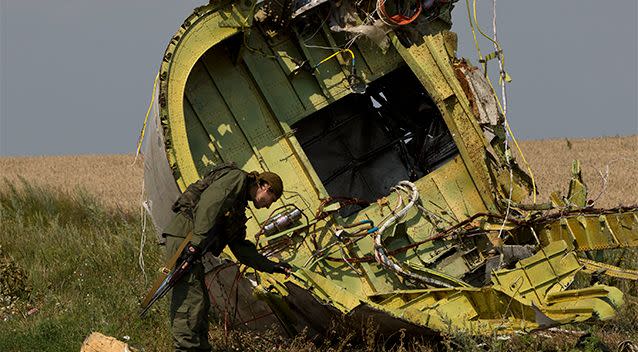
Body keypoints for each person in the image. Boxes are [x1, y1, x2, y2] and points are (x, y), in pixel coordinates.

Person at [162, 164, 292, 351]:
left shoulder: (238, 208)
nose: (268, 206)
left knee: (201, 303)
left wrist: (271, 266)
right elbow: (210, 203)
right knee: (191, 300)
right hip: (185, 238)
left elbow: (240, 248)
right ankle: (186, 349)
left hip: (191, 242)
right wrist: (197, 241)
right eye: (271, 199)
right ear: (265, 187)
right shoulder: (236, 179)